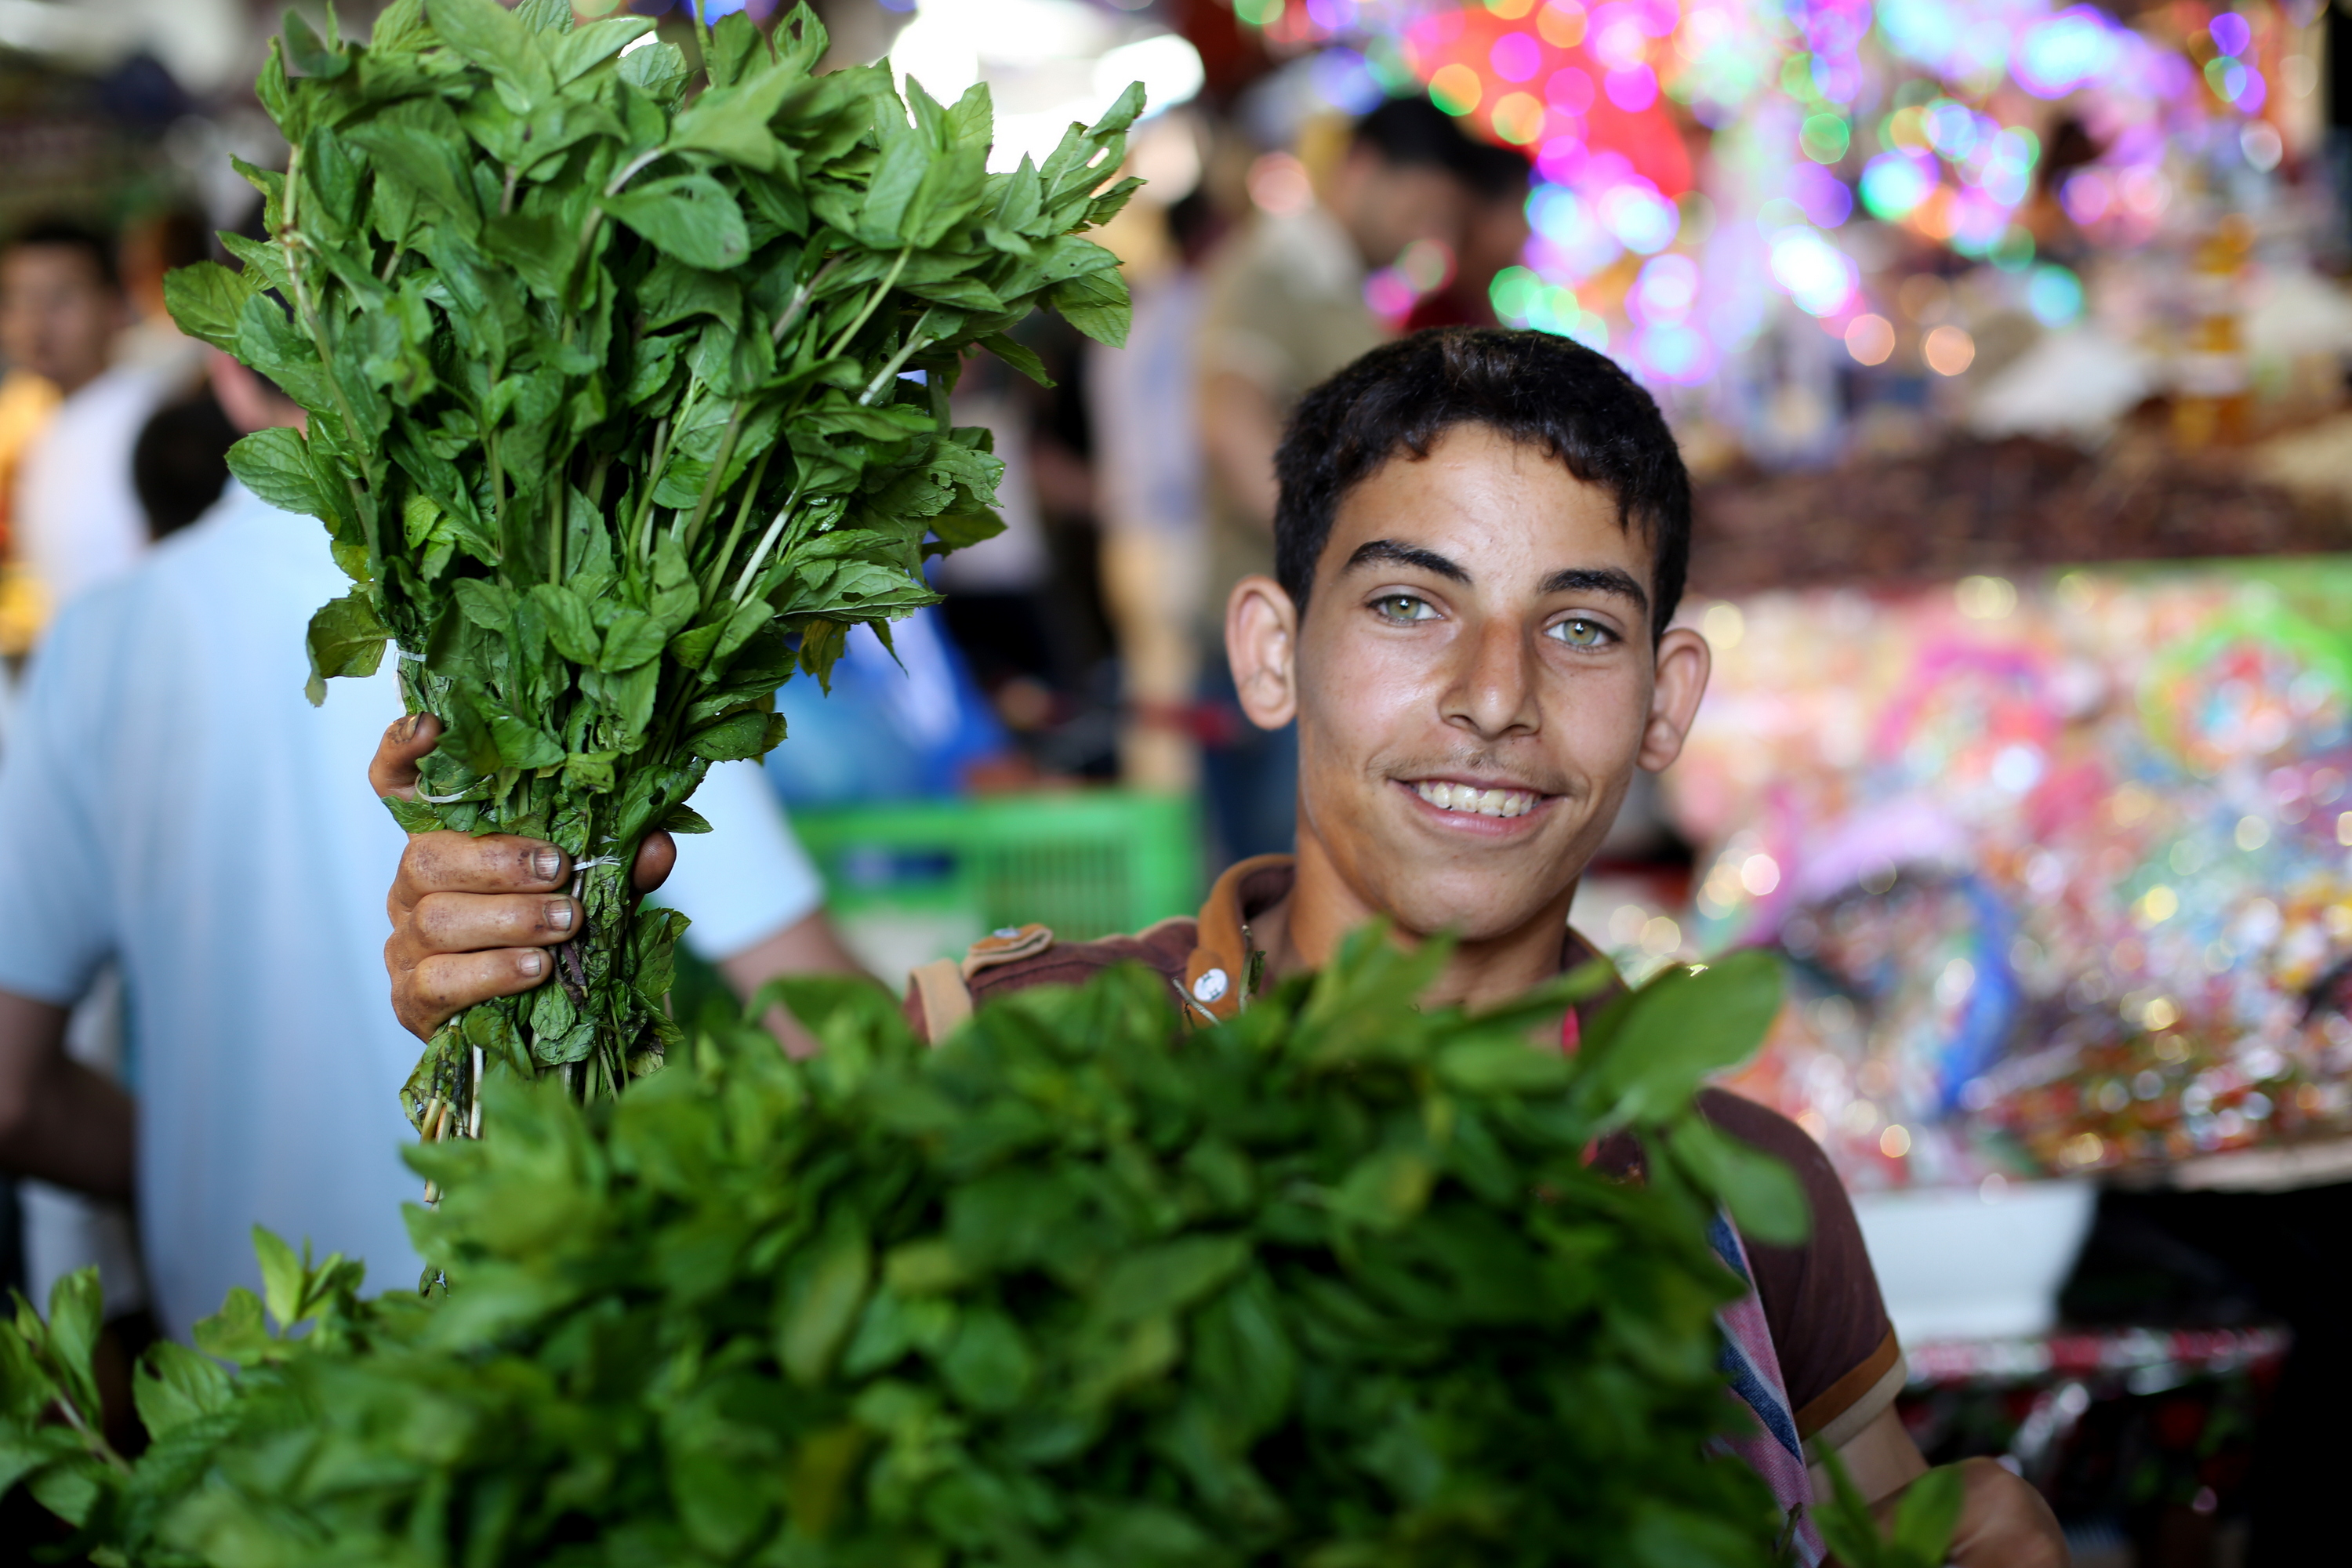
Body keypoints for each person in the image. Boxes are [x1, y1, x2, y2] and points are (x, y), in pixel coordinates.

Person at [380, 328, 2066, 1564]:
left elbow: (1874, 1513)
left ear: (1666, 702)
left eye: (1578, 626)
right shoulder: (1010, 1049)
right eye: (1409, 604)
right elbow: (667, 1318)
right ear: (1272, 653)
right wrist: (519, 996)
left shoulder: (1743, 1189)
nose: (1493, 696)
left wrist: (1962, 1527)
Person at [0, 348, 859, 1341]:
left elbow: (12, 1098)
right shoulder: (593, 596)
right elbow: (811, 1003)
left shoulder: (103, 636)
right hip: (534, 1332)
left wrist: (192, 1163)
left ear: (229, 376)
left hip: (243, 1348)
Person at [1192, 97, 1496, 862]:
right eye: (1418, 206)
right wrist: (1357, 554)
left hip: (1309, 626)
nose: (1421, 233)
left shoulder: (1328, 281)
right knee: (1288, 874)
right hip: (1279, 630)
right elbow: (1231, 429)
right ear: (1362, 170)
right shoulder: (1276, 270)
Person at [0, 220, 168, 628]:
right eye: (18, 301)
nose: (36, 323)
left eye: (59, 299)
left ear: (115, 306)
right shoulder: (48, 424)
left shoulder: (152, 423)